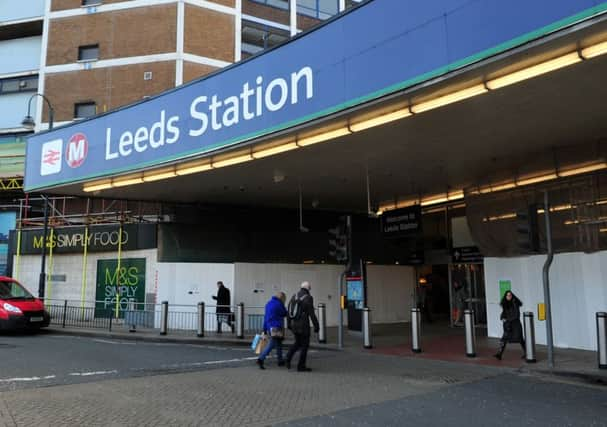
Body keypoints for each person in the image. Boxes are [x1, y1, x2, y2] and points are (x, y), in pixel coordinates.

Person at [286, 281, 319, 372]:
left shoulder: (294, 296)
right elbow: (311, 313)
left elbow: (289, 311)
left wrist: (289, 324)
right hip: (303, 326)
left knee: (297, 343)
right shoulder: (308, 298)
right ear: (308, 288)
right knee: (304, 346)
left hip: (294, 325)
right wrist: (316, 326)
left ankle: (287, 359)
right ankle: (301, 366)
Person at [256, 292, 288, 370]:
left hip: (269, 326)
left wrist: (264, 329)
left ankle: (280, 360)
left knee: (279, 343)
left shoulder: (268, 303)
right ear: (282, 298)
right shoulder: (279, 304)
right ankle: (261, 359)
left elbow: (266, 316)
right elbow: (285, 313)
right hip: (276, 327)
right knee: (272, 344)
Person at [494, 290, 525, 360]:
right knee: (503, 339)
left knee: (520, 340)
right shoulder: (505, 304)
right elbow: (504, 312)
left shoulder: (515, 303)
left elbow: (517, 315)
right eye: (507, 295)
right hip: (508, 326)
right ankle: (499, 354)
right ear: (505, 296)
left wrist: (507, 319)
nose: (509, 297)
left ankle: (527, 353)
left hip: (515, 325)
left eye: (510, 295)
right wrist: (502, 317)